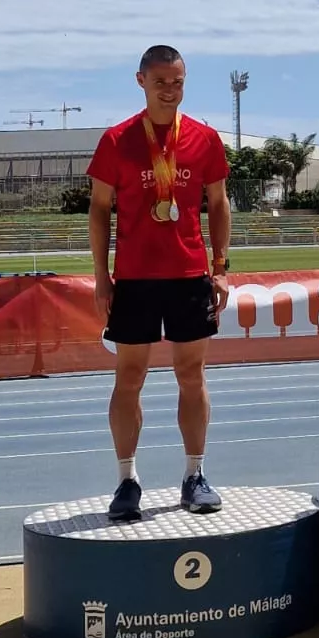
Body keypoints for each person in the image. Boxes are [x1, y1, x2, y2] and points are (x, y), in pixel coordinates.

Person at [88, 44, 231, 522]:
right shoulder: (117, 140)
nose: (170, 91)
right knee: (129, 378)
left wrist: (221, 267)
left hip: (189, 275)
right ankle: (126, 481)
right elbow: (99, 210)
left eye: (177, 82)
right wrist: (102, 276)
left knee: (192, 374)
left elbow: (219, 203)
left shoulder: (205, 138)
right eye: (160, 82)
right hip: (134, 278)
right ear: (141, 82)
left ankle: (195, 474)